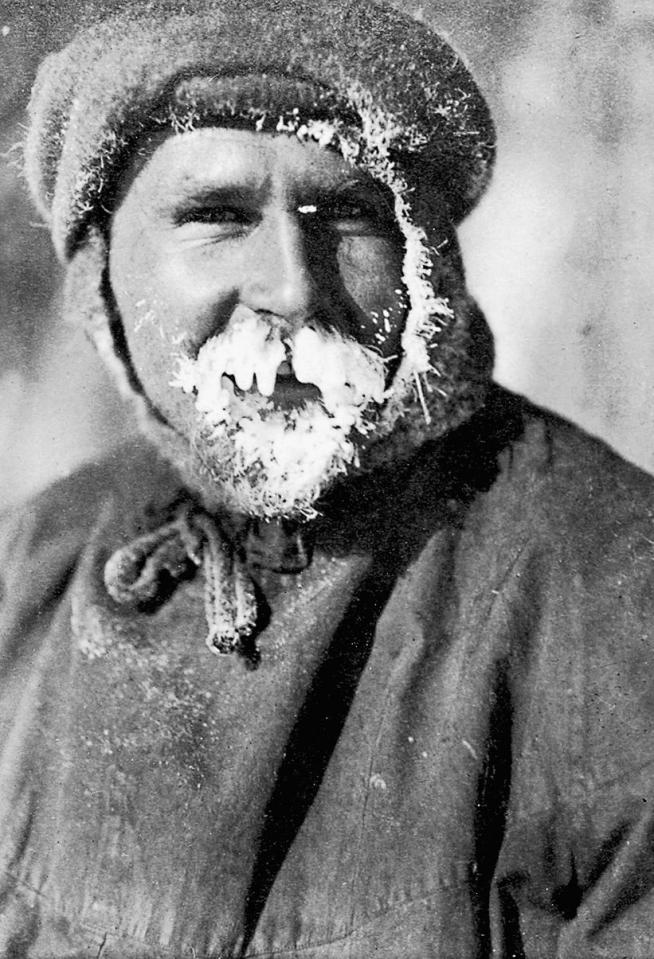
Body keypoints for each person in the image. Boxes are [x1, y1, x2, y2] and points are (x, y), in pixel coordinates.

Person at [1, 1, 654, 956]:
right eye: (215, 218)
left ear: (430, 263)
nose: (292, 286)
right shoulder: (30, 562)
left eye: (350, 214)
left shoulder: (617, 595)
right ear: (99, 276)